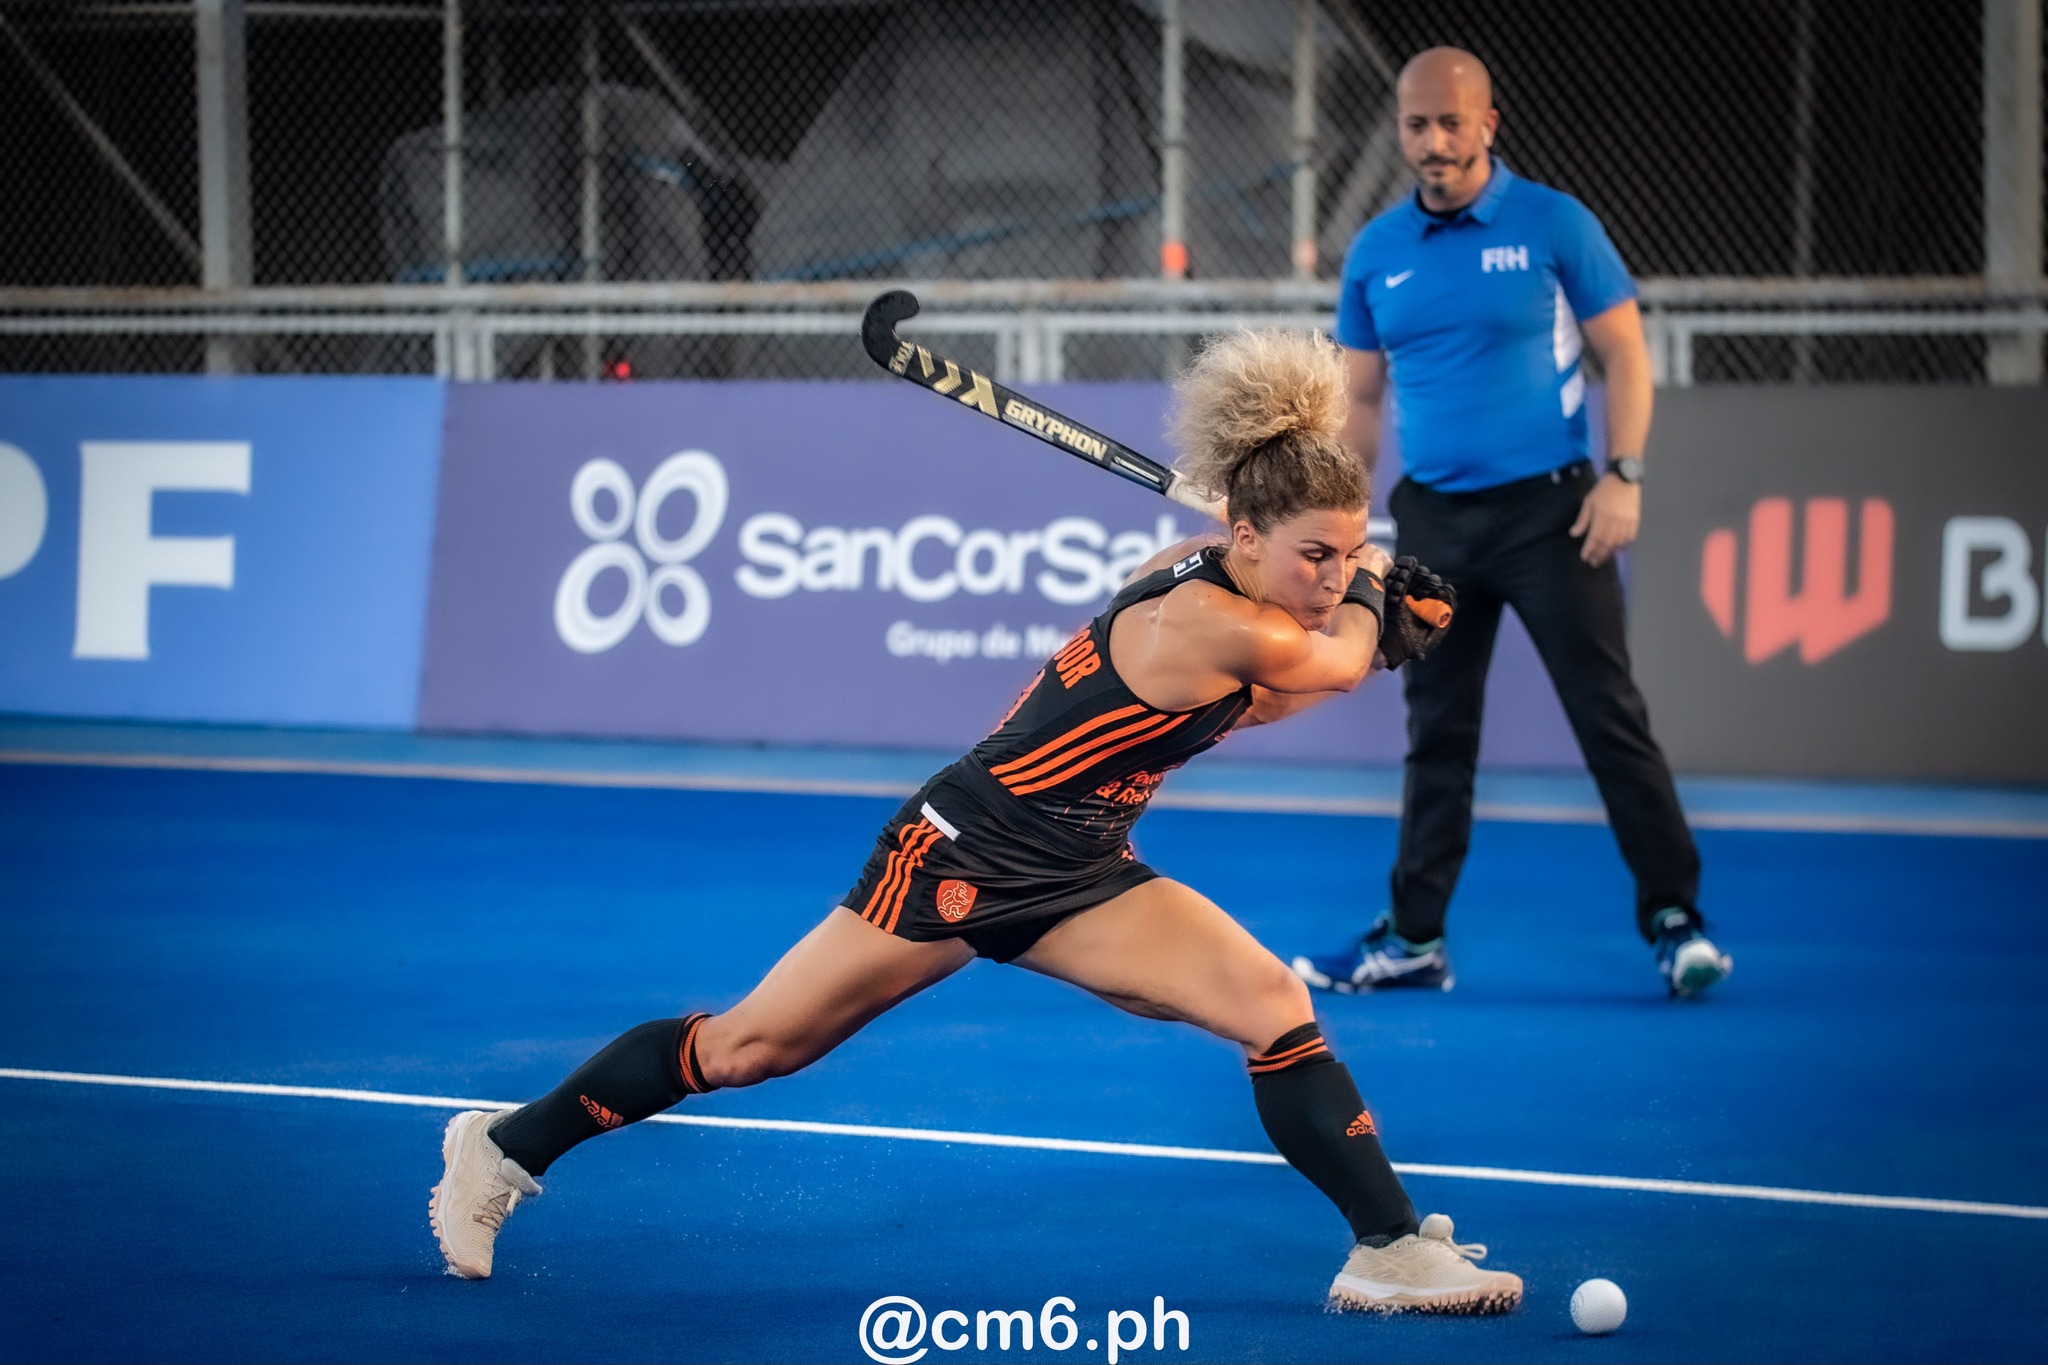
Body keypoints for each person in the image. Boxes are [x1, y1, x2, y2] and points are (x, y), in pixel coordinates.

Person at [429, 330, 1522, 1315]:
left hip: (1080, 869)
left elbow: (1273, 693)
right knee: (752, 1046)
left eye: (1346, 552)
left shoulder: (1219, 588)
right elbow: (1327, 664)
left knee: (1271, 1004)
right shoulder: (1201, 612)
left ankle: (1386, 1246)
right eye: (1316, 557)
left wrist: (1375, 618)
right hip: (958, 853)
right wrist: (1376, 604)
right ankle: (503, 1147)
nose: (1331, 577)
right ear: (1242, 535)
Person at [1290, 47, 1732, 1000]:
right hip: (1435, 524)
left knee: (1608, 718)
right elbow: (1360, 399)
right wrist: (1343, 516)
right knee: (1437, 732)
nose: (1434, 141)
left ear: (1488, 124)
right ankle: (1415, 938)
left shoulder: (1554, 223)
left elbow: (1628, 354)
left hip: (1553, 516)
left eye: (1452, 122)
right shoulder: (1376, 251)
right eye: (1417, 125)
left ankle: (1676, 919)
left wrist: (1624, 475)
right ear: (1401, 131)